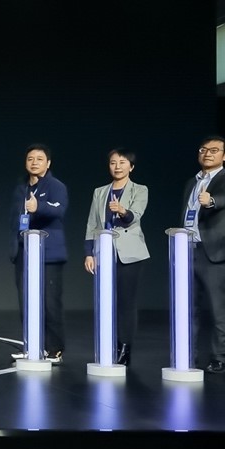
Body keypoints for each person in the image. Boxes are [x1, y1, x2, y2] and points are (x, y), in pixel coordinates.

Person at [182, 135, 225, 374]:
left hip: (215, 252)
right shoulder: (192, 181)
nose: (207, 153)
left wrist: (211, 201)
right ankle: (187, 355)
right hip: (188, 249)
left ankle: (219, 357)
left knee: (219, 308)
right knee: (188, 308)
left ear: (224, 155)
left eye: (214, 150)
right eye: (203, 149)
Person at [82, 149, 149, 366]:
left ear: (131, 167)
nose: (117, 166)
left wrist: (122, 210)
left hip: (130, 254)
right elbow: (92, 223)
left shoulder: (140, 189)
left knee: (126, 303)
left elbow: (134, 216)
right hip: (104, 252)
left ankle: (125, 347)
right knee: (106, 301)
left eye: (122, 162)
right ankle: (108, 344)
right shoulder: (100, 192)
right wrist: (89, 253)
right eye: (113, 162)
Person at [10, 144, 68, 363]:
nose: (34, 162)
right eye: (30, 159)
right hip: (24, 253)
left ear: (48, 163)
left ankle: (54, 349)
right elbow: (15, 220)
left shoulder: (56, 186)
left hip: (49, 255)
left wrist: (39, 207)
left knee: (50, 303)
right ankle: (32, 346)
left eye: (39, 159)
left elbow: (59, 210)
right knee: (26, 302)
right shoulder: (21, 188)